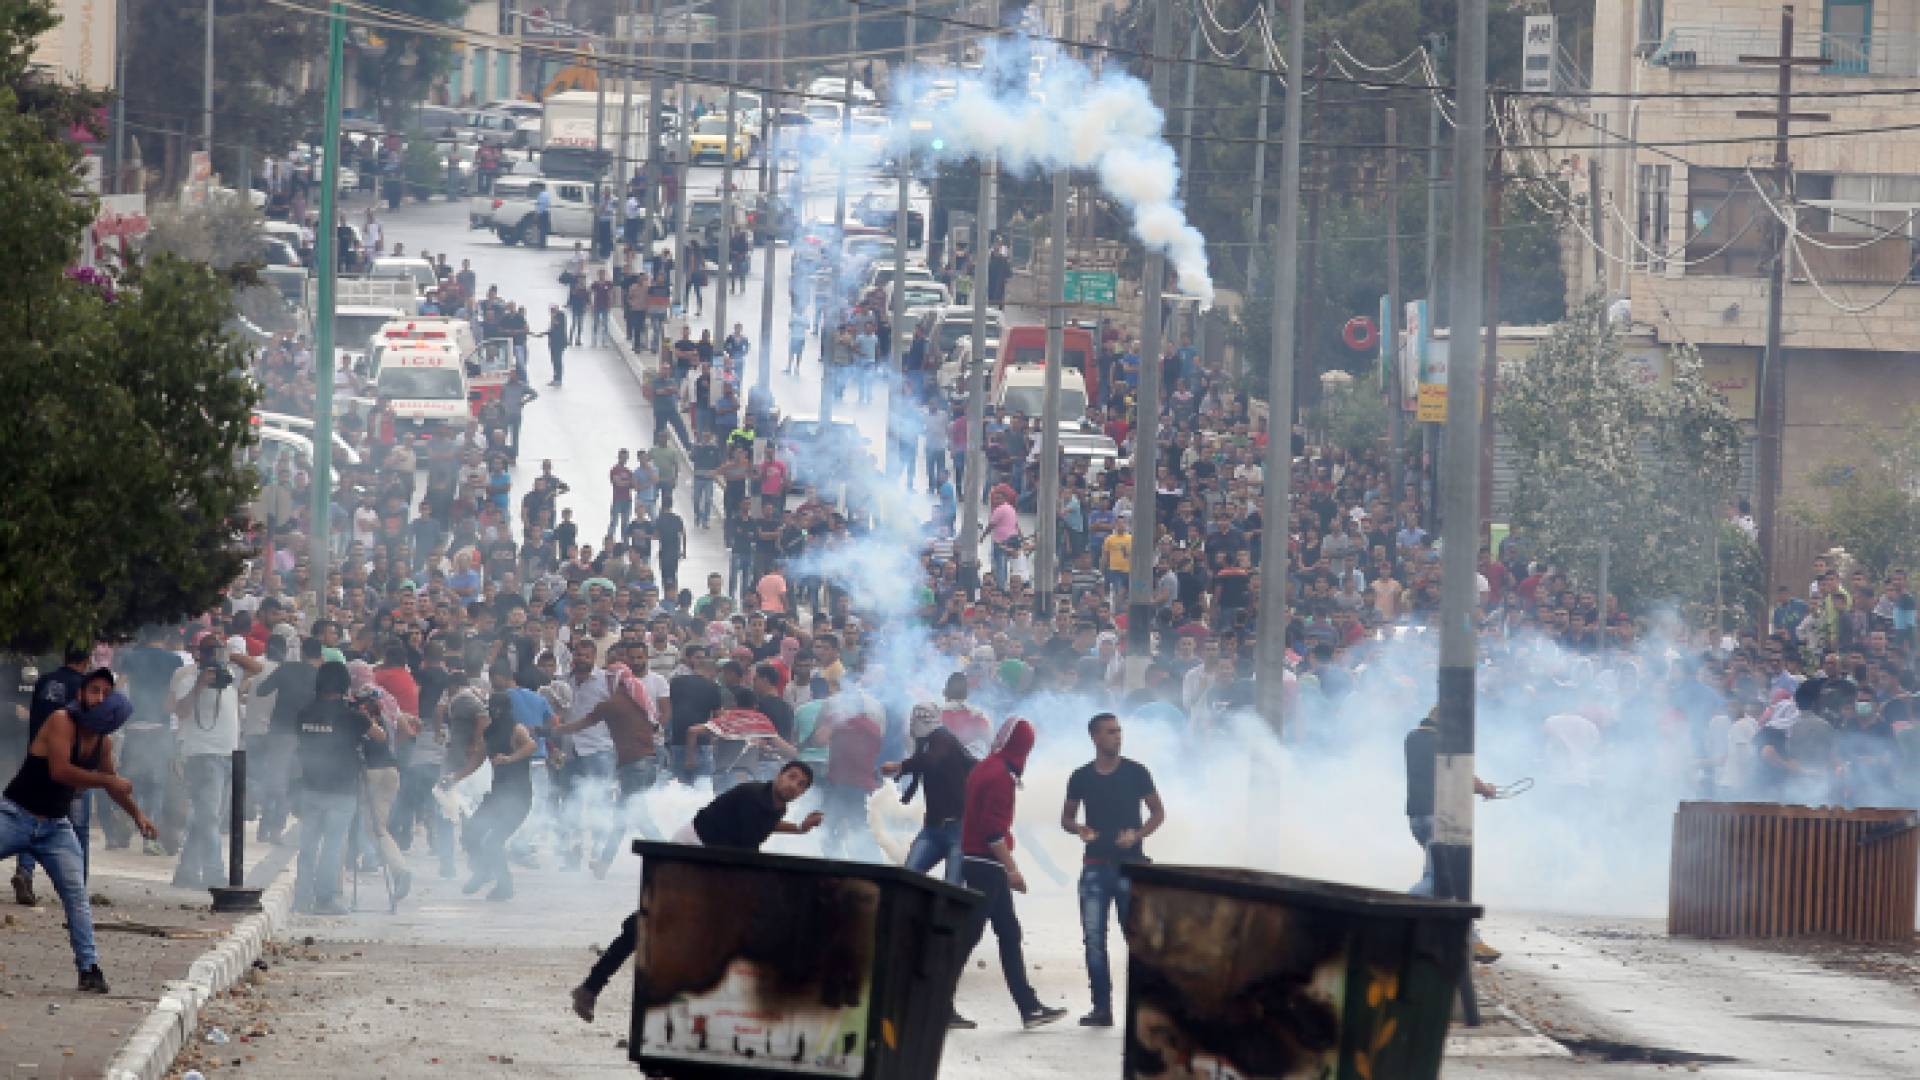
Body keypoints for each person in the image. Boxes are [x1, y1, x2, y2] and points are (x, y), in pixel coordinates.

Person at [570, 761, 823, 1023]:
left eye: (801, 784)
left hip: (713, 862)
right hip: (690, 851)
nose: (794, 785)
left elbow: (765, 827)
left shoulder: (775, 805)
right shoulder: (752, 797)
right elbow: (747, 852)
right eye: (791, 777)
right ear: (779, 775)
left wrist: (799, 829)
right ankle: (592, 987)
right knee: (647, 924)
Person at [1, 669, 154, 992]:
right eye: (93, 691)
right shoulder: (61, 721)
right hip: (16, 815)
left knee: (77, 895)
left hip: (56, 827)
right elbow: (60, 771)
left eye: (105, 694)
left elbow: (114, 786)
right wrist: (108, 780)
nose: (98, 698)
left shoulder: (102, 742)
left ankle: (89, 969)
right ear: (81, 694)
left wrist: (138, 814)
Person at [955, 717, 1067, 1030]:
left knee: (1008, 932)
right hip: (987, 864)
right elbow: (992, 831)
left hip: (977, 861)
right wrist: (1013, 870)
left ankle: (1029, 1006)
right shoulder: (1000, 776)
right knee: (969, 936)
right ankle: (939, 1001)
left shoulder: (985, 766)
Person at [1060, 712, 1164, 1027]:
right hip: (1094, 868)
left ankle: (1144, 1010)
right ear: (1094, 737)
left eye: (1119, 731)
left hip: (1130, 868)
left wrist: (1137, 835)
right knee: (1094, 940)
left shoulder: (1136, 773)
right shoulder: (1081, 777)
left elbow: (1158, 812)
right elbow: (1065, 818)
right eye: (1110, 732)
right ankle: (1101, 1008)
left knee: (1137, 940)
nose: (1117, 737)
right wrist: (1079, 829)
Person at [169, 634, 260, 889]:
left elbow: (257, 668)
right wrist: (199, 685)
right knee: (208, 817)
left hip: (228, 754)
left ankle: (185, 873)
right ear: (199, 654)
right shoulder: (188, 677)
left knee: (208, 818)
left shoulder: (230, 675)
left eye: (216, 650)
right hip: (202, 754)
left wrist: (227, 657)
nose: (213, 656)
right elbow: (181, 711)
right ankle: (214, 873)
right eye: (209, 651)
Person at [447, 666, 540, 901]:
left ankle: (504, 886)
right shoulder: (489, 732)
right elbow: (478, 758)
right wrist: (455, 777)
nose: (497, 713)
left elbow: (531, 746)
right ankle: (482, 871)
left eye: (501, 709)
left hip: (518, 797)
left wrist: (510, 758)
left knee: (494, 842)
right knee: (470, 831)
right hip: (497, 795)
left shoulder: (516, 728)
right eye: (493, 709)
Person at [292, 660, 378, 915]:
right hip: (341, 791)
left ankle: (301, 897)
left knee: (308, 845)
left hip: (310, 788)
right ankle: (325, 899)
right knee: (332, 846)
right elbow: (381, 736)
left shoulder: (304, 713)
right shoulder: (352, 716)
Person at [12, 648, 92, 905]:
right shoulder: (84, 687)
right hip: (69, 763)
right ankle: (78, 884)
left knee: (31, 817)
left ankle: (25, 871)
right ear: (86, 661)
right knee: (77, 826)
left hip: (38, 759)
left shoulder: (45, 681)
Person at [882, 702, 975, 885]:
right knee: (908, 878)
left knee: (952, 888)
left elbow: (932, 760)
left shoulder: (943, 738)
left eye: (915, 720)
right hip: (933, 828)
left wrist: (901, 766)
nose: (912, 725)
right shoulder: (927, 744)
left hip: (958, 829)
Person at [547, 305, 569, 387]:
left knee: (558, 360)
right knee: (554, 361)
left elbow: (558, 326)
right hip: (553, 343)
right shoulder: (554, 317)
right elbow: (552, 330)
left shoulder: (560, 315)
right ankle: (555, 378)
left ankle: (559, 379)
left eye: (553, 310)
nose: (551, 312)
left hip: (559, 343)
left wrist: (553, 318)